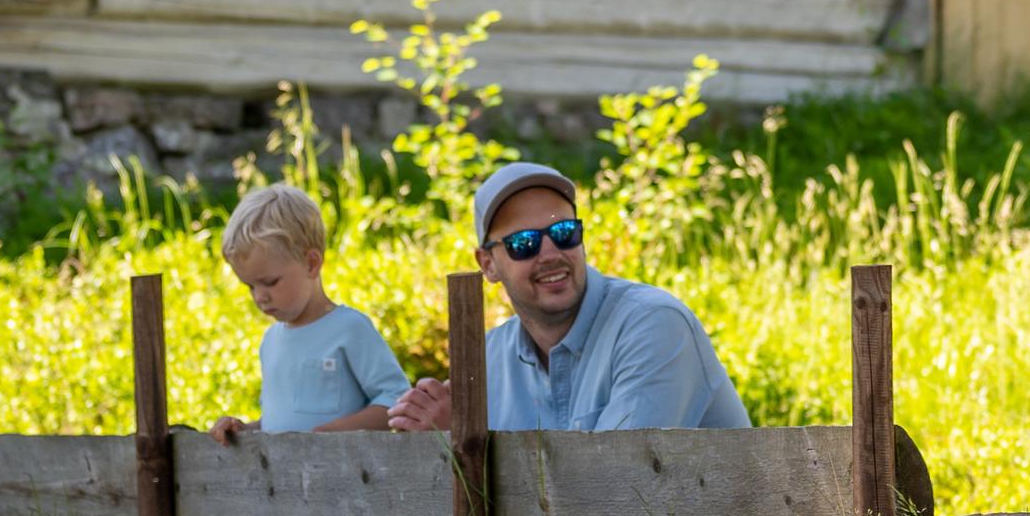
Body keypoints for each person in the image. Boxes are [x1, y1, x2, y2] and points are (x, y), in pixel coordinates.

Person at [385, 160, 749, 433]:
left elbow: (618, 488)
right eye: (523, 243)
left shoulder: (655, 325)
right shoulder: (488, 357)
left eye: (563, 232)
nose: (549, 253)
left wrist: (464, 439)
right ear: (488, 265)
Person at [206, 183, 408, 445]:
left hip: (345, 479)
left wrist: (335, 434)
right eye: (250, 286)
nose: (259, 296)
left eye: (270, 282)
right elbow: (278, 425)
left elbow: (396, 399)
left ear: (311, 263)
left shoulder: (349, 328)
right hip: (285, 483)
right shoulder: (271, 342)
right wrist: (245, 431)